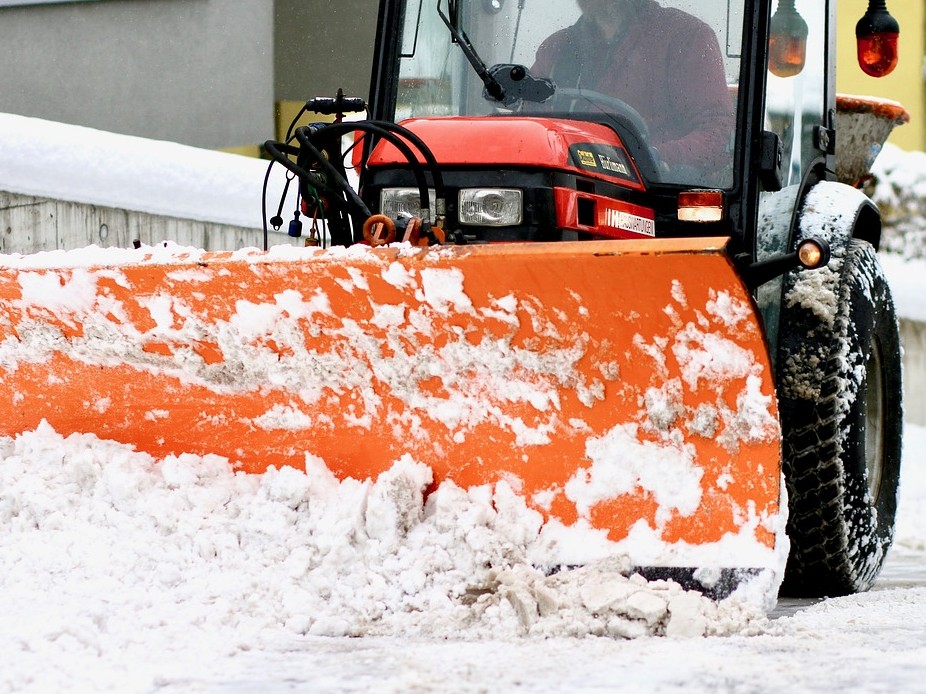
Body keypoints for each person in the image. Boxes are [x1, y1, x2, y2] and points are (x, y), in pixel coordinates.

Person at [531, 0, 735, 176]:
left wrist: (650, 158)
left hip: (654, 200)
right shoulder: (557, 49)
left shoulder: (685, 38)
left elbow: (717, 134)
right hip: (566, 190)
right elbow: (529, 128)